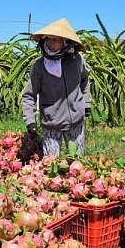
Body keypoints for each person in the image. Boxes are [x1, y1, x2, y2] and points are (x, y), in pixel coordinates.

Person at [21, 18, 91, 157]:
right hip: (51, 122)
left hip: (75, 120)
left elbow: (85, 80)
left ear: (65, 42)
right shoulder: (40, 66)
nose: (51, 44)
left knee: (77, 161)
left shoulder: (78, 61)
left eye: (55, 40)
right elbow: (29, 95)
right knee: (51, 163)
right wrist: (30, 120)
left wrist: (86, 103)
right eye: (48, 39)